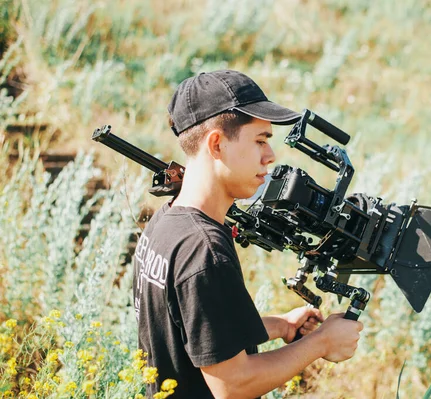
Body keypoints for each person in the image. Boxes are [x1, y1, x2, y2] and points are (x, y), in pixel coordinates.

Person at [133, 70, 363, 399]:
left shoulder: (165, 223)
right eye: (260, 140)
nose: (270, 156)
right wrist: (322, 341)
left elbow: (193, 329)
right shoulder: (204, 251)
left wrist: (280, 326)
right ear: (216, 144)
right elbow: (233, 384)